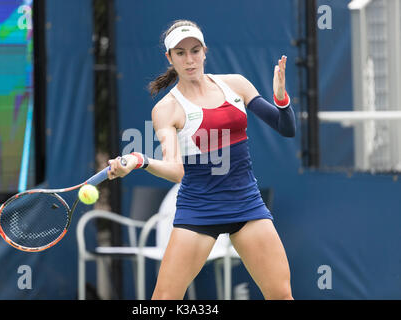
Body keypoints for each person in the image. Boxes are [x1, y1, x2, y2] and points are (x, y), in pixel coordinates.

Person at [107, 19, 295, 300]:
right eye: (180, 53)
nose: (189, 59)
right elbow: (176, 169)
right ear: (169, 58)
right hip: (199, 211)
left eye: (195, 50)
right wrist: (140, 160)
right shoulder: (167, 109)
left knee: (281, 296)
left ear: (205, 51)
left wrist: (281, 98)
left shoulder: (236, 85)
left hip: (247, 206)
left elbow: (286, 128)